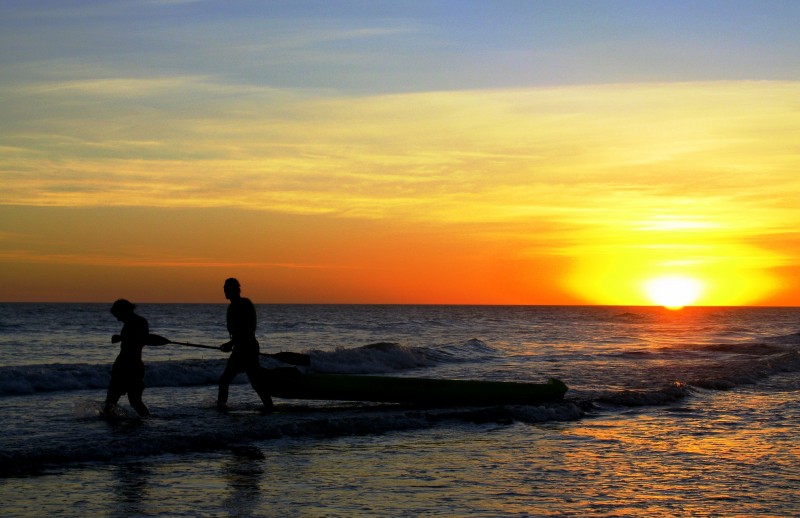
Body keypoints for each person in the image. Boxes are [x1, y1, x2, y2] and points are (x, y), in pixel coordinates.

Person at [217, 278, 273, 412]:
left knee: (230, 380)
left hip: (247, 348)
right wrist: (232, 344)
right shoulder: (232, 307)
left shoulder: (244, 305)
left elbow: (247, 330)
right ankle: (269, 406)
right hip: (240, 347)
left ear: (234, 290)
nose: (224, 290)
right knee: (254, 382)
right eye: (224, 288)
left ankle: (221, 407)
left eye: (226, 288)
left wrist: (231, 343)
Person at [104, 299, 152, 417]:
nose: (118, 319)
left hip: (127, 366)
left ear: (123, 311)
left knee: (111, 402)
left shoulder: (137, 322)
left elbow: (138, 340)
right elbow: (137, 338)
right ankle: (147, 420)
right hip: (133, 365)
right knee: (135, 402)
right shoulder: (137, 322)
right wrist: (121, 337)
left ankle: (109, 426)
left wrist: (122, 338)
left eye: (118, 315)